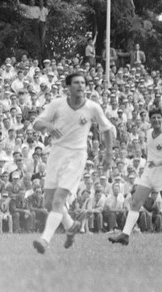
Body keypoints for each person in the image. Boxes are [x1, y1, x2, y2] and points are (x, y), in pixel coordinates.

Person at [32, 72, 114, 254]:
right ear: (68, 87)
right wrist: (49, 126)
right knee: (48, 203)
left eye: (83, 83)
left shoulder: (93, 108)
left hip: (76, 156)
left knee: (59, 200)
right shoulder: (57, 105)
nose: (80, 86)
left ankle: (44, 240)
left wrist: (108, 153)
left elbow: (107, 130)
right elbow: (36, 123)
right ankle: (70, 226)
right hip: (56, 154)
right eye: (76, 83)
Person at [108, 108, 162, 246]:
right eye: (154, 118)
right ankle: (125, 235)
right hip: (148, 173)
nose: (156, 120)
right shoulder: (148, 133)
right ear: (150, 120)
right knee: (135, 202)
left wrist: (159, 162)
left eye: (159, 117)